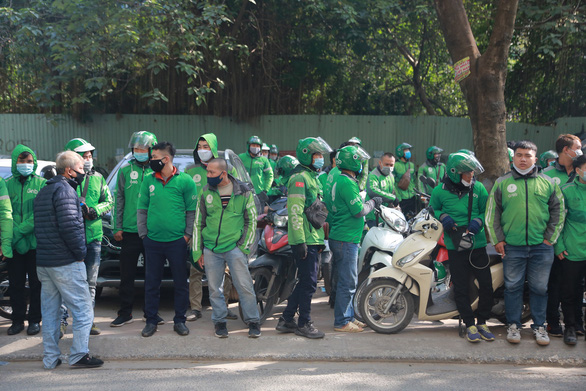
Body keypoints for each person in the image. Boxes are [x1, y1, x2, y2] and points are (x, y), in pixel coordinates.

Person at [486, 140, 565, 346]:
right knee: (513, 287)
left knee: (540, 288)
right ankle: (513, 325)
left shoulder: (548, 182)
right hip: (512, 247)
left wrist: (550, 239)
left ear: (535, 159)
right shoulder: (502, 183)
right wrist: (498, 240)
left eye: (527, 156)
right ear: (513, 157)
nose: (523, 159)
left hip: (542, 246)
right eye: (519, 155)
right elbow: (492, 214)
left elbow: (559, 212)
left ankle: (539, 326)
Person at [34, 151, 103, 369]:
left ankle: (50, 358)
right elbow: (71, 227)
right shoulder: (65, 192)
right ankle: (79, 354)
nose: (84, 172)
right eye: (82, 169)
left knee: (51, 311)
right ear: (69, 170)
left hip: (45, 262)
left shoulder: (44, 191)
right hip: (65, 262)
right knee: (83, 309)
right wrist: (80, 253)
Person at [430, 152, 494, 343]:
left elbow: (486, 211)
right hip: (454, 245)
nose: (471, 176)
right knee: (461, 286)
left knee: (486, 285)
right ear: (455, 173)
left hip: (478, 245)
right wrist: (443, 217)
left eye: (472, 172)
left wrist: (478, 222)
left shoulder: (479, 188)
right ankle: (469, 324)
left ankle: (482, 321)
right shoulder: (439, 191)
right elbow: (435, 208)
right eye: (467, 173)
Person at [192, 158, 260, 338]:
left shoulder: (243, 192)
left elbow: (252, 220)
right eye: (207, 172)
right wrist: (198, 250)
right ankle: (219, 322)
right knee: (215, 289)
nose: (208, 176)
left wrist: (243, 247)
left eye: (212, 173)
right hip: (211, 249)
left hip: (234, 248)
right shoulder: (205, 191)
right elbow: (198, 222)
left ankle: (253, 321)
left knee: (244, 286)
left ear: (223, 173)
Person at [137, 142, 197, 337]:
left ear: (166, 159)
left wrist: (186, 236)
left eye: (154, 158)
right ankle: (151, 320)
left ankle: (180, 320)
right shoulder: (148, 180)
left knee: (180, 282)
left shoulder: (185, 181)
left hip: (177, 242)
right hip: (152, 241)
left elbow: (191, 211)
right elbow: (142, 209)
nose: (151, 160)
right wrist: (143, 235)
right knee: (152, 282)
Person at [276, 137, 332, 339]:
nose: (320, 159)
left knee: (305, 282)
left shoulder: (311, 177)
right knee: (308, 283)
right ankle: (304, 323)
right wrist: (299, 241)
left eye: (321, 156)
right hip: (305, 239)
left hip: (313, 238)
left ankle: (287, 319)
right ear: (307, 155)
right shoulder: (299, 179)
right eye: (317, 155)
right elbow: (295, 212)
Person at [63, 138, 113, 336]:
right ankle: (62, 321)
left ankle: (87, 321)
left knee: (90, 283)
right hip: (69, 238)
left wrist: (95, 210)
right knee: (66, 283)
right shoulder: (65, 180)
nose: (88, 159)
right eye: (84, 156)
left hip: (93, 237)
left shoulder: (98, 178)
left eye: (90, 155)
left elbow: (108, 200)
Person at [328, 145, 381, 332]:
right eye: (358, 160)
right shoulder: (347, 183)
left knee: (348, 281)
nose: (360, 164)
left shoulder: (340, 179)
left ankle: (349, 316)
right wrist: (372, 202)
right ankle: (342, 322)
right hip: (346, 239)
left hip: (343, 237)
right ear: (351, 162)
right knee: (347, 282)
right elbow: (359, 211)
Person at [184, 133, 236, 322]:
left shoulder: (227, 170)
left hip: (222, 227)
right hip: (198, 227)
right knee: (196, 269)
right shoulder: (190, 171)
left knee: (226, 270)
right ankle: (196, 307)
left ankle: (223, 306)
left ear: (213, 148)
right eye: (200, 146)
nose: (202, 150)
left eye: (206, 146)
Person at [110, 131, 160, 327]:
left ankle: (151, 313)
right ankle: (125, 312)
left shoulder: (158, 171)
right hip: (130, 231)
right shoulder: (124, 171)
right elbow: (118, 200)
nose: (140, 152)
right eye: (137, 149)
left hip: (152, 231)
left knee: (152, 275)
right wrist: (117, 226)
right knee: (127, 275)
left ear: (151, 150)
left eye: (144, 149)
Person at [543, 134, 583, 337]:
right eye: (578, 147)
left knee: (575, 285)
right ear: (566, 150)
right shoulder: (547, 174)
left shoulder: (580, 171)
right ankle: (552, 322)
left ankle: (575, 323)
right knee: (555, 284)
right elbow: (545, 210)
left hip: (575, 242)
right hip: (553, 239)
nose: (580, 150)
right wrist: (553, 241)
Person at [4, 145, 45, 336]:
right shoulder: (6, 184)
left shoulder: (41, 184)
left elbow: (40, 214)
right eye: (22, 161)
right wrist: (13, 236)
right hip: (14, 244)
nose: (26, 165)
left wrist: (19, 231)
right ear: (15, 162)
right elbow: (4, 213)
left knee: (37, 284)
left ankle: (35, 320)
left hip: (35, 243)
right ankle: (17, 320)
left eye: (29, 162)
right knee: (16, 284)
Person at [554, 154, 586, 345]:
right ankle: (571, 327)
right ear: (577, 170)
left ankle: (580, 324)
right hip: (571, 250)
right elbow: (557, 221)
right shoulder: (565, 190)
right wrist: (558, 245)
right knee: (570, 291)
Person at [238, 136, 274, 206]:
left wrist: (265, 190)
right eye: (253, 145)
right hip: (243, 192)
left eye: (257, 145)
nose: (255, 147)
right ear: (249, 146)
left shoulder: (264, 160)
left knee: (258, 215)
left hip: (259, 193)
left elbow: (269, 175)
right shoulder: (241, 157)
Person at [365, 152, 397, 227]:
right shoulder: (373, 175)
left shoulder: (391, 176)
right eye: (386, 164)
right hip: (374, 215)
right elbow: (372, 191)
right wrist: (392, 198)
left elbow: (392, 192)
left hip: (386, 215)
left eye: (391, 165)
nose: (389, 167)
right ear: (380, 163)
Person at [393, 142, 417, 219]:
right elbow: (392, 182)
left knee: (412, 217)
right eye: (406, 150)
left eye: (408, 150)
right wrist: (397, 196)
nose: (408, 152)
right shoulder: (395, 165)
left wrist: (415, 193)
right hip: (401, 197)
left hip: (412, 196)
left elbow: (413, 180)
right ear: (400, 152)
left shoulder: (412, 165)